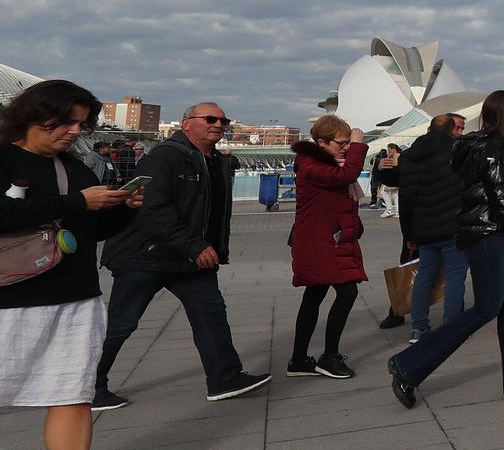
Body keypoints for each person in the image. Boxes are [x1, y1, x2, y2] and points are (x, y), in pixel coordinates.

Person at [2, 80, 142, 450]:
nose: (72, 131)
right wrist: (77, 202)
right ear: (31, 114)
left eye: (81, 124)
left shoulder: (73, 167)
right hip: (9, 300)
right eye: (64, 121)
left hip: (73, 297)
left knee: (72, 396)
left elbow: (87, 229)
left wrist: (122, 208)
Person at [387, 89, 504, 406]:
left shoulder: (478, 145)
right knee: (486, 308)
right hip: (490, 235)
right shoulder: (493, 150)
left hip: (493, 233)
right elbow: (501, 199)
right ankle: (408, 364)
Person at [94, 103, 268, 409]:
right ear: (187, 123)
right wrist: (194, 246)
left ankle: (225, 378)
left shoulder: (211, 160)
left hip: (186, 259)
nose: (218, 124)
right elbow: (152, 208)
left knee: (210, 314)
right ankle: (88, 387)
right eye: (210, 119)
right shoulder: (165, 156)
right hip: (145, 255)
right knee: (122, 323)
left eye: (223, 120)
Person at [286, 116, 367, 380]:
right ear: (322, 143)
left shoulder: (325, 162)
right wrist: (358, 147)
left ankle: (299, 359)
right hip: (320, 242)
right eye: (341, 143)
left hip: (326, 239)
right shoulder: (311, 164)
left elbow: (337, 196)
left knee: (314, 296)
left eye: (347, 143)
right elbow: (346, 175)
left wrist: (353, 225)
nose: (345, 147)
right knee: (347, 292)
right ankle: (329, 356)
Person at [398, 112, 467, 345]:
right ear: (451, 131)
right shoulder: (457, 152)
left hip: (423, 229)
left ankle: (418, 328)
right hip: (453, 227)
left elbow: (405, 199)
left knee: (425, 277)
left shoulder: (409, 156)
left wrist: (408, 233)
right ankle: (451, 326)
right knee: (456, 277)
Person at [376, 144, 402, 219]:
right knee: (395, 194)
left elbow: (395, 166)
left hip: (392, 178)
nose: (388, 151)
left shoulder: (396, 155)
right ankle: (397, 211)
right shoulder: (398, 155)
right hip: (395, 178)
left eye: (389, 150)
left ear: (392, 149)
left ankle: (390, 209)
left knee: (384, 192)